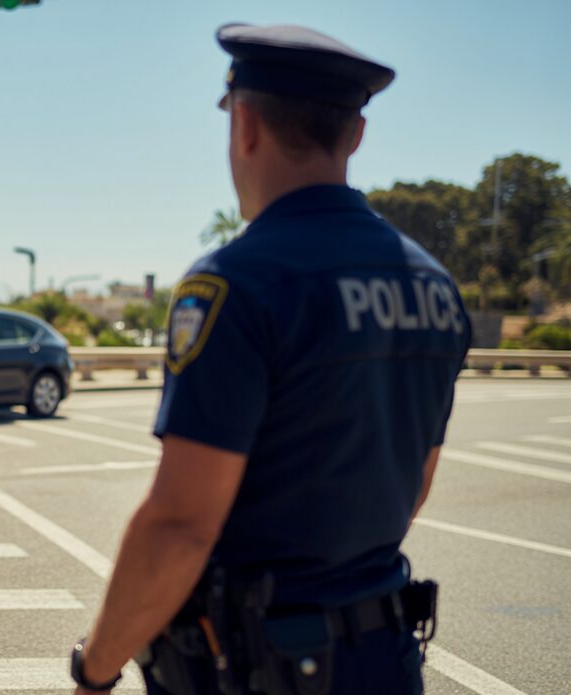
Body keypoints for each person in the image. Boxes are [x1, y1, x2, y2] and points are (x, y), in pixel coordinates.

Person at [70, 24, 471, 695]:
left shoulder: (238, 282)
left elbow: (180, 525)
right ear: (357, 135)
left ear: (246, 124)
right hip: (386, 660)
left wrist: (96, 668)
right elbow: (413, 486)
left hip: (261, 669)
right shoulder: (433, 285)